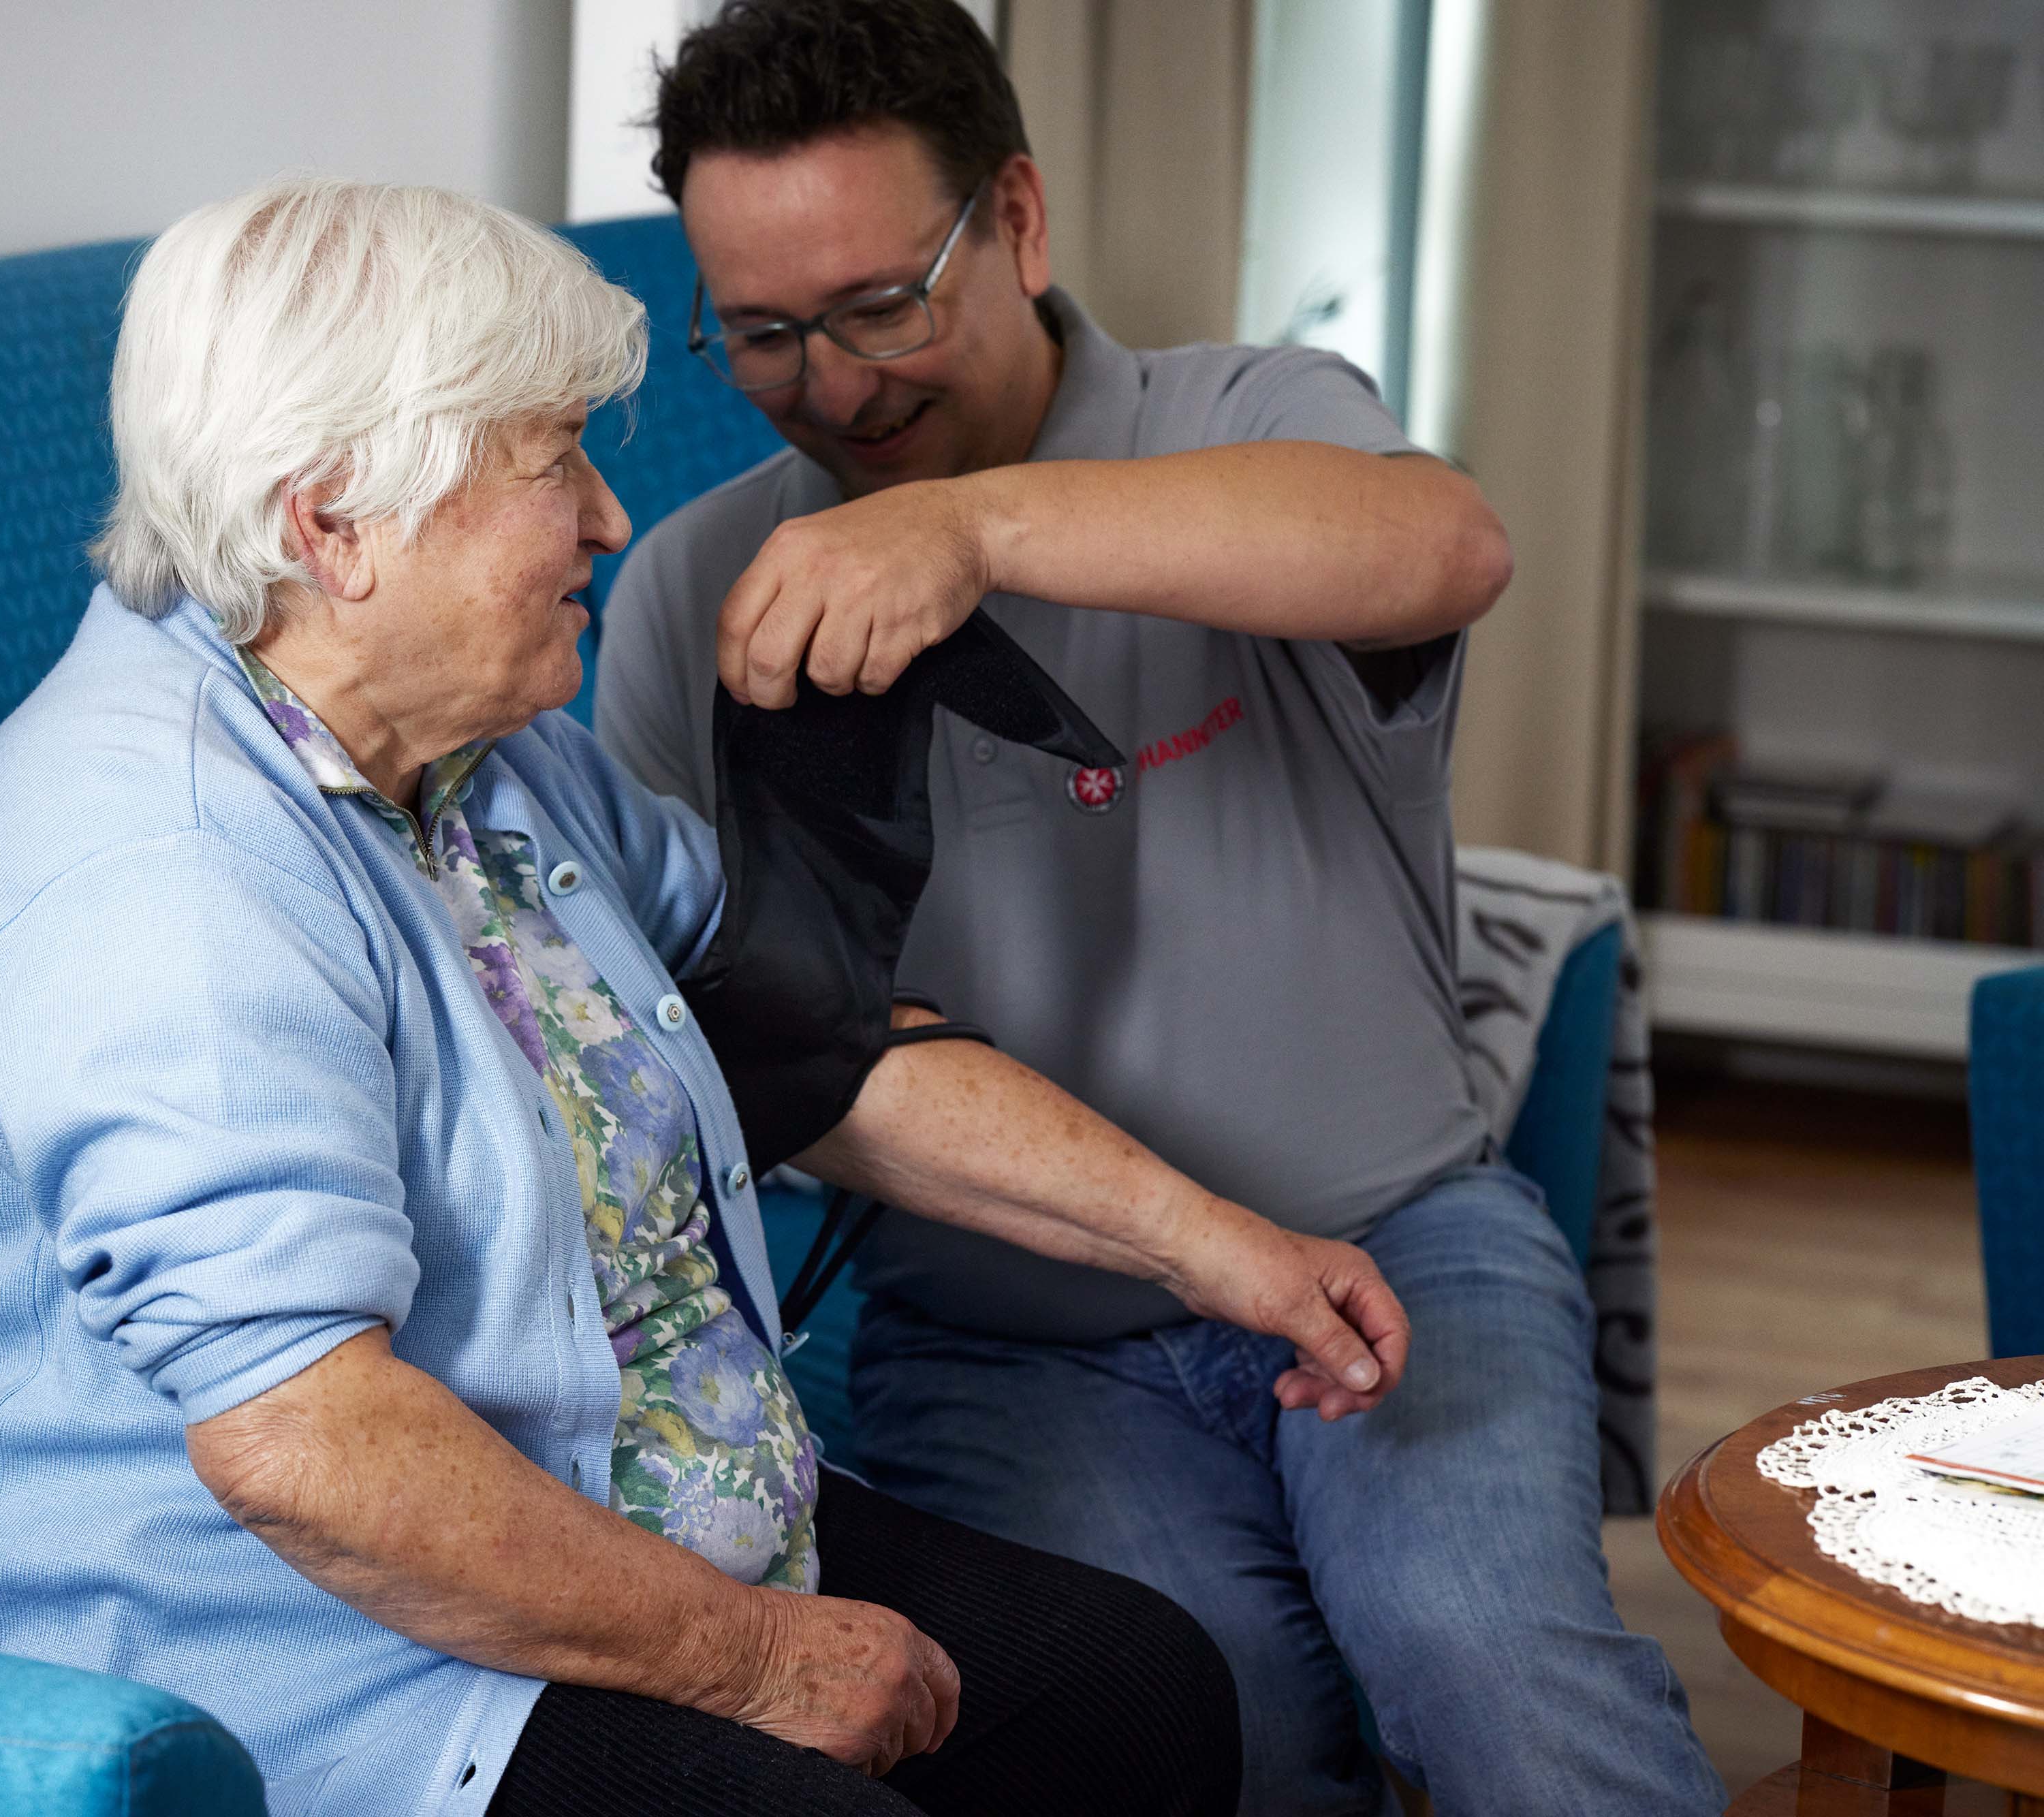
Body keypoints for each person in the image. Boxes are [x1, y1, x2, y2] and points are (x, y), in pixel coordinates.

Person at [0, 174, 1426, 1817]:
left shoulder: (483, 759)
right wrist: (759, 1658)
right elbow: (305, 1445)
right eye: (553, 462)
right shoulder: (156, 867)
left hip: (598, 1497)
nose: (608, 517)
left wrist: (1210, 1242)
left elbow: (811, 1040)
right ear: (332, 522)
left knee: (1129, 1692)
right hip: (283, 1659)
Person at [593, 4, 1728, 1813]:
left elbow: (1448, 547)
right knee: (1216, 1729)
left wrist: (977, 533)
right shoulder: (693, 593)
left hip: (1401, 1239)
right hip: (1007, 1336)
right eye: (767, 335)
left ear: (1021, 223)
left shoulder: (1249, 417)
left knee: (1486, 1663)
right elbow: (721, 1036)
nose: (841, 386)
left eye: (885, 306)